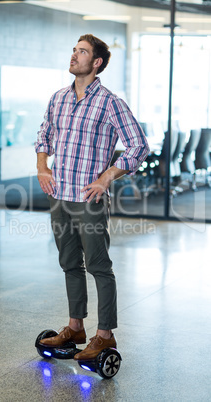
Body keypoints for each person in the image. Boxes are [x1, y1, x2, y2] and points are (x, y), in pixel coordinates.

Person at [35, 34, 149, 361]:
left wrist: (107, 176)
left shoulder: (110, 102)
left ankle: (105, 334)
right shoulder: (58, 98)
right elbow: (43, 136)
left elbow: (138, 146)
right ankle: (75, 326)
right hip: (59, 197)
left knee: (99, 266)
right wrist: (43, 167)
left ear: (96, 62)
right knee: (69, 263)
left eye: (81, 52)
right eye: (73, 49)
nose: (74, 55)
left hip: (89, 200)